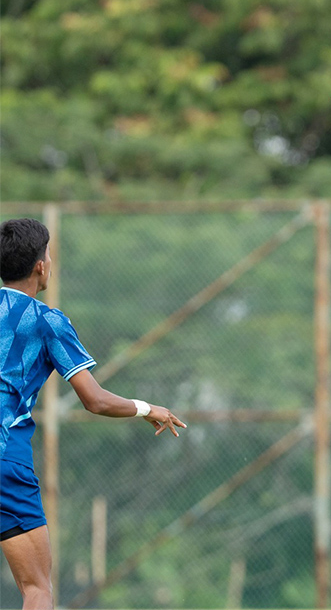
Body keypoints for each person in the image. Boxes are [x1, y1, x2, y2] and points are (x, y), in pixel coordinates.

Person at [1, 218, 186, 610]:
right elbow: (95, 400)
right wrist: (148, 408)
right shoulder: (46, 321)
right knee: (36, 589)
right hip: (5, 460)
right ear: (40, 266)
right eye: (47, 254)